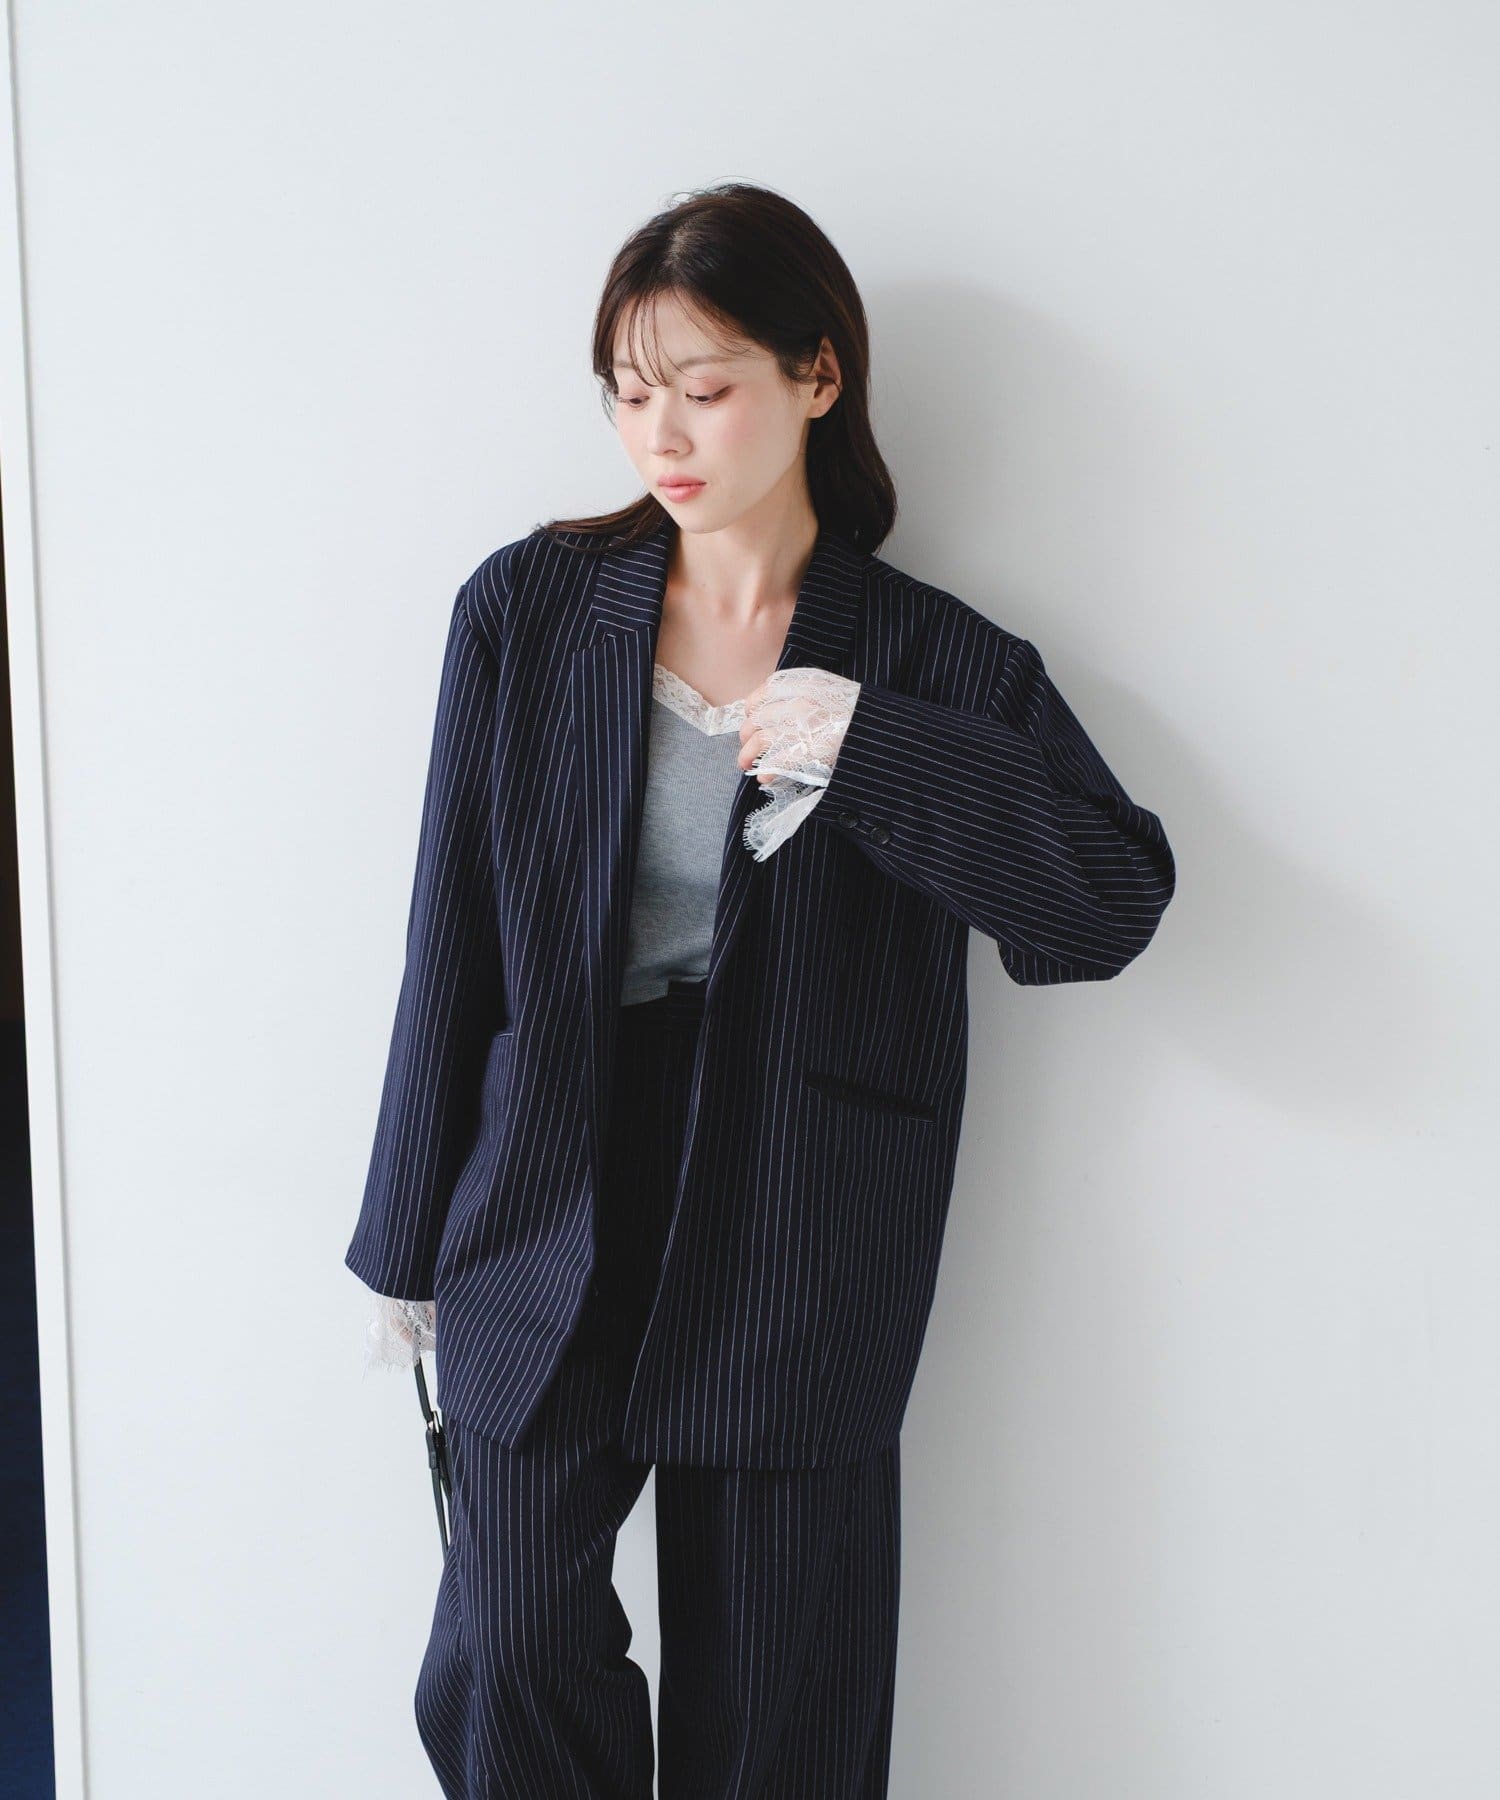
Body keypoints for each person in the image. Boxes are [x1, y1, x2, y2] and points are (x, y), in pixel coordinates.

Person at [346, 180, 1176, 1799]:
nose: (659, 434)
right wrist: (406, 1232)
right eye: (627, 392)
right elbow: (450, 935)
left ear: (817, 377)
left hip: (801, 1207)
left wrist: (877, 749)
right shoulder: (528, 611)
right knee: (509, 1647)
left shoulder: (934, 662)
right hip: (548, 1186)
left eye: (704, 388)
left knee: (781, 1713)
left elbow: (1104, 906)